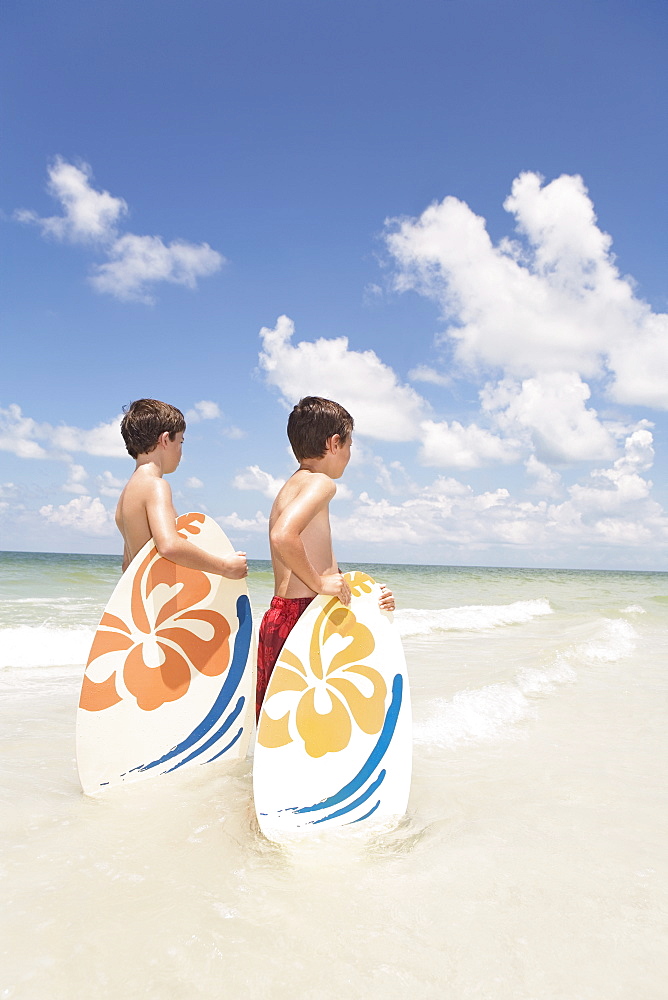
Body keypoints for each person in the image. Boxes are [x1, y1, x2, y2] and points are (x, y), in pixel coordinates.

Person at [256, 395, 394, 718]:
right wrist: (319, 583)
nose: (349, 454)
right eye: (348, 445)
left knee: (279, 731)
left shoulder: (288, 488)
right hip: (306, 616)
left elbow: (321, 562)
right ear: (334, 443)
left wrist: (369, 598)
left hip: (278, 617)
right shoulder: (321, 484)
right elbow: (283, 536)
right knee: (318, 727)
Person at [116, 398, 247, 579]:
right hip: (161, 600)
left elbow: (127, 565)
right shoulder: (155, 486)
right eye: (180, 442)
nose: (180, 451)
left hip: (142, 599)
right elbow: (169, 545)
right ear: (165, 440)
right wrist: (224, 567)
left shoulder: (127, 493)